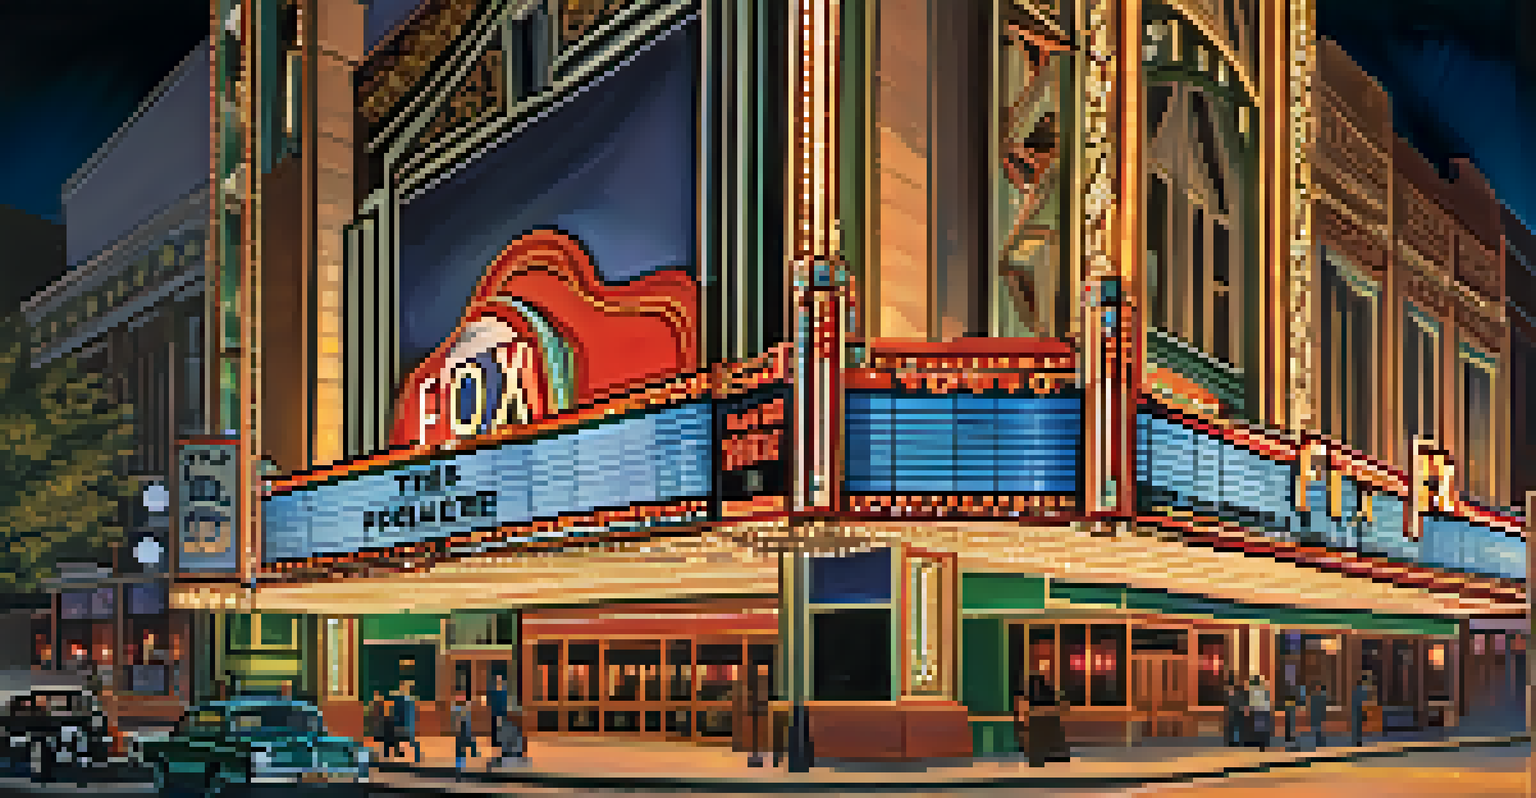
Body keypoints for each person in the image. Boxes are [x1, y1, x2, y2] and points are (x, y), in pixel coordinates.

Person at [394, 680, 422, 763]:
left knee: (410, 740)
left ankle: (416, 757)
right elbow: (397, 713)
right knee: (399, 740)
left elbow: (412, 714)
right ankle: (400, 755)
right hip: (401, 723)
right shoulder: (399, 700)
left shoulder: (410, 701)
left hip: (408, 723)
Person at [452, 693, 478, 776]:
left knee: (463, 746)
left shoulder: (464, 709)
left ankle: (460, 767)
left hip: (463, 729)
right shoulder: (459, 709)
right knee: (461, 747)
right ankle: (460, 767)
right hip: (462, 730)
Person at [1246, 675, 1271, 750]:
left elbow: (1251, 701)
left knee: (1258, 728)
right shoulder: (1263, 689)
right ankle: (1263, 744)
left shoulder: (1253, 690)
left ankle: (1259, 743)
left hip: (1258, 710)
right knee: (1262, 728)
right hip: (1263, 710)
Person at [1308, 682, 1329, 749]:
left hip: (1320, 715)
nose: (1318, 689)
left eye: (1319, 687)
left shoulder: (1322, 697)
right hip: (1315, 715)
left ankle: (1321, 743)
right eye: (1317, 687)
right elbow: (1312, 707)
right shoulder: (1314, 697)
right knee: (1317, 729)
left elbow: (1323, 707)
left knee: (1321, 729)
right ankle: (1318, 743)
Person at [1222, 676, 1242, 747]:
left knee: (1233, 726)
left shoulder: (1232, 692)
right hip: (1234, 711)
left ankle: (1233, 741)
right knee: (1234, 726)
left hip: (1234, 712)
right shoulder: (1236, 692)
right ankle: (1233, 741)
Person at [1350, 674, 1369, 746]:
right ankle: (1358, 742)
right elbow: (1363, 701)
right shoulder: (1362, 690)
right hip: (1359, 710)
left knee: (1356, 726)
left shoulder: (1355, 690)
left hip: (1356, 710)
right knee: (1358, 726)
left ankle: (1356, 741)